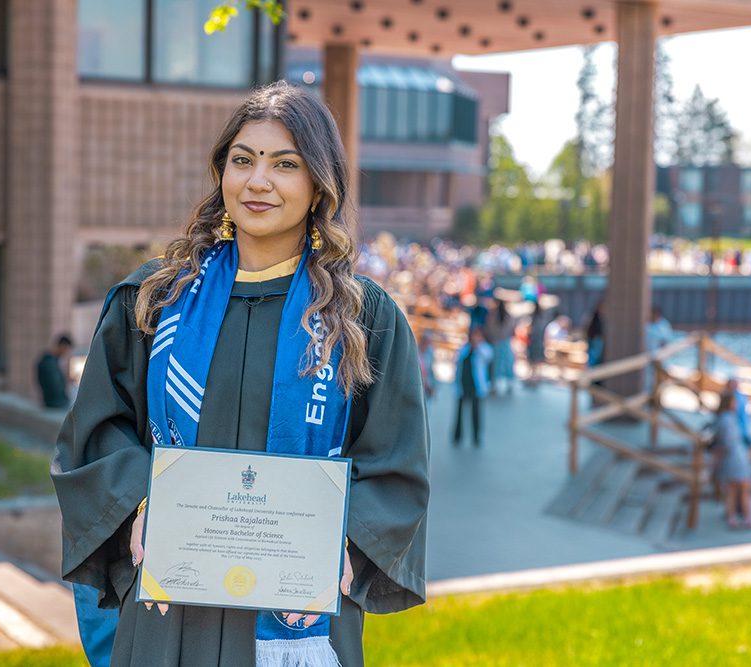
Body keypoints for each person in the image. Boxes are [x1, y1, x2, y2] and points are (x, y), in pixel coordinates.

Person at [50, 82, 429, 667]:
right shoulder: (152, 301)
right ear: (221, 170)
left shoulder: (362, 318)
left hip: (299, 619)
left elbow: (395, 465)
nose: (258, 182)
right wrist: (140, 501)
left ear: (318, 184)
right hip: (170, 612)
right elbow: (97, 430)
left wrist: (345, 541)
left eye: (286, 164)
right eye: (243, 160)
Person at [712, 392, 751, 530]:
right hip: (736, 457)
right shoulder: (728, 419)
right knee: (741, 490)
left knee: (733, 491)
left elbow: (724, 442)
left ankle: (734, 518)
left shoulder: (725, 419)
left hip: (734, 457)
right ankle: (744, 518)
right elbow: (728, 441)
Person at [452, 327, 493, 447]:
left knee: (476, 412)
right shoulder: (464, 348)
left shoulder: (484, 349)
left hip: (476, 386)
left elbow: (489, 356)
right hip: (463, 384)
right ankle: (457, 436)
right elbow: (458, 359)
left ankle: (476, 437)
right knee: (459, 412)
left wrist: (477, 347)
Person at [36, 334, 74, 408]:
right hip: (56, 403)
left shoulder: (51, 361)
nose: (66, 354)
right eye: (66, 350)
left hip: (54, 402)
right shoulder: (49, 363)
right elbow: (55, 387)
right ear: (63, 346)